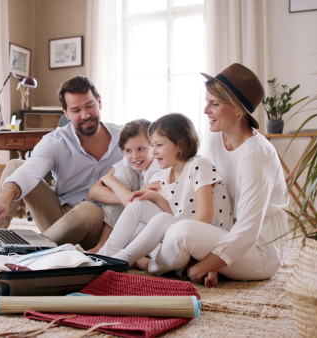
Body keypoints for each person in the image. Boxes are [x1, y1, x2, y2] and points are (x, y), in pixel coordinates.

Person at [116, 63, 289, 287]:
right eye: (207, 102)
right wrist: (160, 192)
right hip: (225, 232)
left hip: (259, 251)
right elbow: (213, 192)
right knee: (150, 211)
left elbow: (248, 232)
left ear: (238, 109)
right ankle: (113, 258)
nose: (206, 110)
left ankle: (149, 265)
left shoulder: (256, 155)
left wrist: (203, 266)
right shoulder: (219, 138)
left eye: (214, 104)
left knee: (181, 231)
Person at [0, 75, 124, 249]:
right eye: (76, 110)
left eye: (89, 106)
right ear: (66, 113)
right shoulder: (56, 141)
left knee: (90, 208)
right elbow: (30, 171)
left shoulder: (124, 139)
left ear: (99, 102)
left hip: (103, 226)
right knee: (16, 166)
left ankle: (34, 248)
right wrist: (4, 198)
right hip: (59, 217)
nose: (85, 115)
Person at [98, 113, 233, 261]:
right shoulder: (168, 172)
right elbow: (176, 214)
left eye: (159, 145)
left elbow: (205, 213)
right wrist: (157, 199)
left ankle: (125, 260)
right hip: (181, 236)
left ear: (180, 145)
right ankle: (106, 254)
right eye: (153, 145)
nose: (154, 151)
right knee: (138, 204)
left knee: (161, 227)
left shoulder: (199, 165)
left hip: (203, 242)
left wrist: (192, 245)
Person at [86, 119, 162, 253]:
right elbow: (94, 192)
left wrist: (114, 184)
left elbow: (140, 209)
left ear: (153, 146)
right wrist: (131, 194)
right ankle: (103, 245)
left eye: (141, 148)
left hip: (156, 224)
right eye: (128, 150)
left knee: (117, 184)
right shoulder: (129, 161)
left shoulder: (159, 168)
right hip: (135, 219)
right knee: (122, 173)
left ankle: (124, 254)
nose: (134, 156)